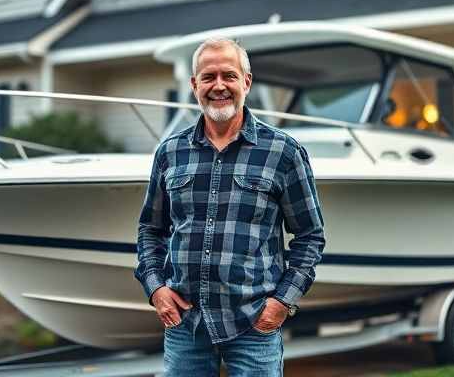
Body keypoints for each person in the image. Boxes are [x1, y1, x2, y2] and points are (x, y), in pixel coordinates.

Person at [135, 37, 325, 376]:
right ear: (194, 85)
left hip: (254, 325)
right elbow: (151, 229)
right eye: (208, 77)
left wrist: (282, 302)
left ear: (246, 82)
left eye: (229, 76)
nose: (218, 86)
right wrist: (156, 288)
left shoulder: (283, 152)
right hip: (185, 325)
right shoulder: (170, 153)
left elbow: (310, 236)